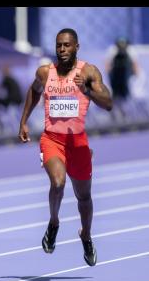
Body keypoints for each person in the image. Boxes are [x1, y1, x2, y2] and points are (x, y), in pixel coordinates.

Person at [18, 28, 112, 267]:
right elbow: (33, 92)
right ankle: (54, 223)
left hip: (78, 143)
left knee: (84, 197)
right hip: (52, 140)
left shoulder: (88, 71)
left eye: (67, 45)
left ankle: (86, 235)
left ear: (76, 47)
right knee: (58, 182)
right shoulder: (44, 73)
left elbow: (109, 103)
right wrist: (24, 121)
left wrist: (86, 90)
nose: (62, 49)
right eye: (59, 45)